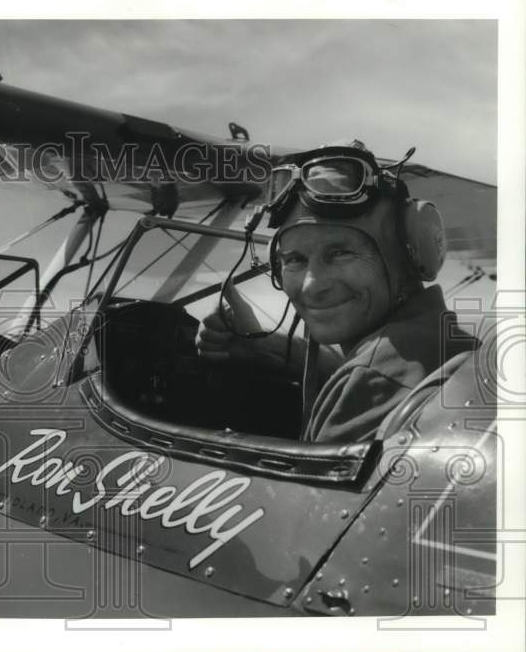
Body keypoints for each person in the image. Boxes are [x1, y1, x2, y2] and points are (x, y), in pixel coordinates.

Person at [197, 140, 479, 443]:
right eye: (294, 260)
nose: (312, 285)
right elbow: (357, 364)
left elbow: (310, 491)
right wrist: (262, 346)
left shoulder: (374, 381)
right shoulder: (435, 341)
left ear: (409, 255)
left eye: (341, 254)